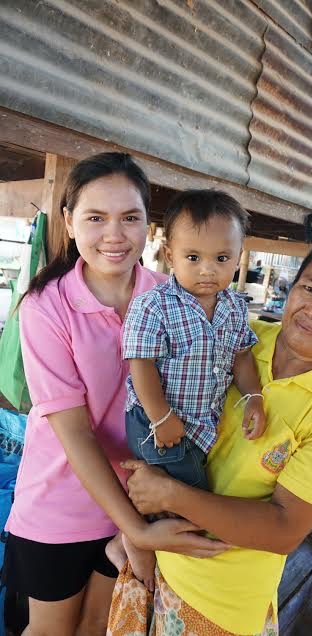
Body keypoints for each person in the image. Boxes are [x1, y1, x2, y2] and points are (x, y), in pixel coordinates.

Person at [108, 236, 312, 636]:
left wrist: (170, 496)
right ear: (293, 288)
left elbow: (283, 531)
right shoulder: (238, 335)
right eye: (309, 288)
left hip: (218, 600)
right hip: (151, 560)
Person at [2, 153, 227, 636]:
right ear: (68, 220)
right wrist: (138, 528)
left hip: (141, 498)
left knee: (102, 628)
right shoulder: (47, 308)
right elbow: (76, 434)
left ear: (151, 225)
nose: (114, 235)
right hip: (61, 506)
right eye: (96, 218)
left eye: (130, 217)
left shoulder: (173, 295)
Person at [108, 190, 266, 587]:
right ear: (169, 253)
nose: (208, 270)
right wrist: (162, 418)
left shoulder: (233, 307)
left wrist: (254, 398)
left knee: (176, 494)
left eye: (222, 259)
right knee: (193, 499)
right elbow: (140, 365)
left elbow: (242, 357)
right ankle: (142, 558)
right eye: (193, 258)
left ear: (239, 255)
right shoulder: (155, 305)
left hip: (197, 427)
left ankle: (128, 542)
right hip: (153, 420)